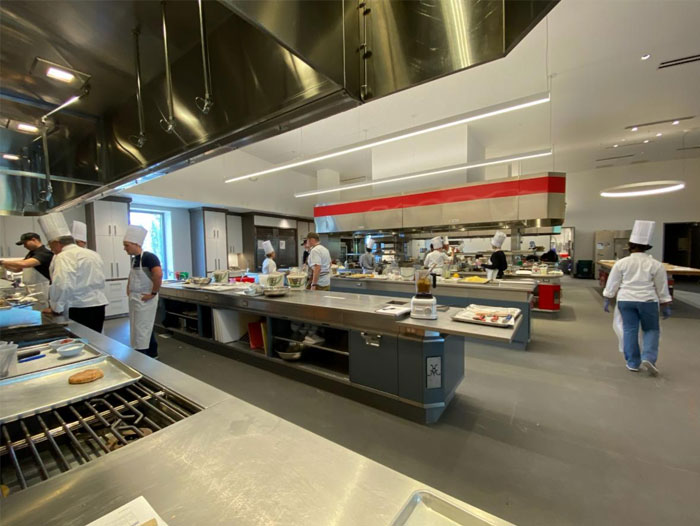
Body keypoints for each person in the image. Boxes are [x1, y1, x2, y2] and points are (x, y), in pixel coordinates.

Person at [603, 220, 672, 376]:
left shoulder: (621, 263)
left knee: (629, 330)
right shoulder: (656, 264)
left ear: (630, 246)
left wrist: (607, 298)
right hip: (648, 301)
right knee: (651, 329)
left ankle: (633, 362)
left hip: (626, 300)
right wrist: (665, 303)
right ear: (647, 247)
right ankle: (648, 357)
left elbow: (613, 282)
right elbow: (662, 286)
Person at [39, 213, 108, 332]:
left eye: (50, 245)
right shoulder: (93, 254)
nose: (51, 249)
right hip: (98, 305)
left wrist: (56, 307)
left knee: (80, 339)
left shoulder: (64, 256)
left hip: (79, 307)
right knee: (95, 338)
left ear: (57, 242)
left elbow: (62, 284)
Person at [123, 225, 162, 359]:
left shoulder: (149, 257)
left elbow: (158, 275)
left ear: (136, 244)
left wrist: (153, 293)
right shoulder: (135, 259)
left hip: (146, 298)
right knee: (140, 326)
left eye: (126, 245)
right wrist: (128, 287)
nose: (124, 248)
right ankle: (151, 352)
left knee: (142, 327)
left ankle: (143, 356)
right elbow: (132, 274)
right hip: (136, 298)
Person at [0, 232, 53, 308]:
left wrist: (2, 262)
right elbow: (18, 269)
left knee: (44, 308)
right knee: (37, 309)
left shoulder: (44, 253)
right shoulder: (31, 253)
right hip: (34, 289)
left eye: (25, 243)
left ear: (34, 240)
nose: (24, 246)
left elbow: (24, 264)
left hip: (44, 290)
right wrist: (4, 266)